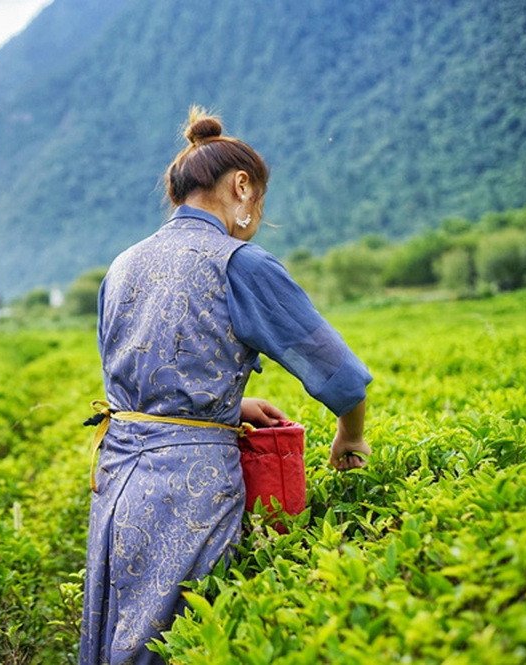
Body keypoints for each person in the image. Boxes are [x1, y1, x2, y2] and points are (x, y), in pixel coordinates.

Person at [80, 107, 372, 664]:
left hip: (118, 479)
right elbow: (342, 377)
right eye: (258, 202)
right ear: (241, 186)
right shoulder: (239, 263)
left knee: (119, 629)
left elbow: (141, 379)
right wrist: (350, 438)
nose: (256, 218)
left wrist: (228, 403)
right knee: (185, 638)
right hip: (191, 487)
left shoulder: (122, 264)